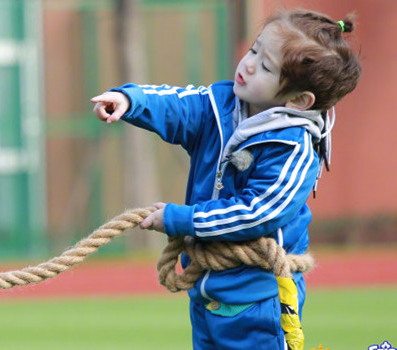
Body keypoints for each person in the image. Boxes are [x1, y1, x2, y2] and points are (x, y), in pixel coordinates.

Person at [91, 9, 361, 350]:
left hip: (259, 301)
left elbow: (258, 212)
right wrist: (130, 100)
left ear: (297, 100)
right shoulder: (219, 106)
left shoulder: (295, 149)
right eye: (253, 51)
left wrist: (181, 218)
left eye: (265, 67)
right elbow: (176, 105)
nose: (248, 65)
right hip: (206, 294)